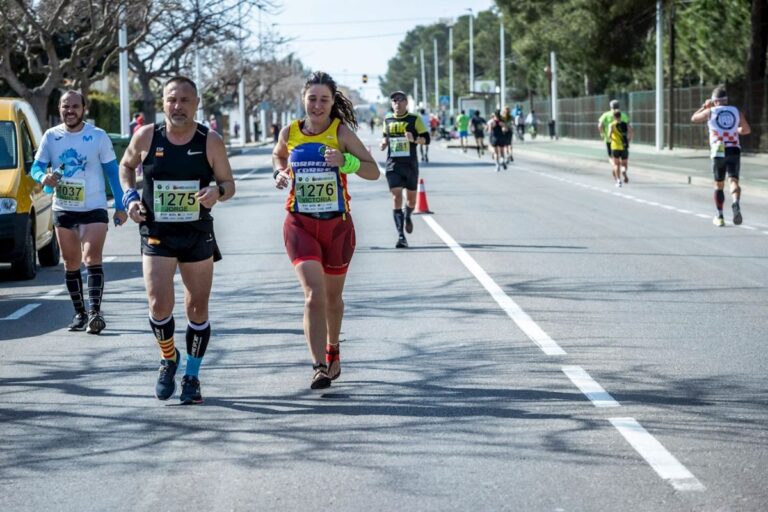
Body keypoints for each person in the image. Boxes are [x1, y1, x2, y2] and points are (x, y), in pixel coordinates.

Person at [119, 76, 236, 404]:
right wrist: (129, 198)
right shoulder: (146, 136)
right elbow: (125, 166)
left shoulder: (210, 140)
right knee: (158, 304)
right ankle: (168, 358)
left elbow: (229, 184)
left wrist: (218, 191)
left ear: (197, 104)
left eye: (185, 100)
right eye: (172, 99)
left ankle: (192, 376)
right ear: (163, 102)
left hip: (196, 232)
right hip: (157, 230)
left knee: (197, 307)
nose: (178, 106)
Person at [273, 71, 379, 389]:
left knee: (333, 299)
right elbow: (279, 155)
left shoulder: (340, 132)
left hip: (336, 227)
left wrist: (345, 162)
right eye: (312, 99)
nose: (317, 105)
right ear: (303, 99)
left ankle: (333, 348)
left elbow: (373, 171)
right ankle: (319, 365)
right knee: (312, 296)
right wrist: (279, 172)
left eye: (324, 100)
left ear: (332, 103)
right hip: (300, 223)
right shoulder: (289, 131)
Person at [31, 90, 127, 334]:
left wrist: (120, 205)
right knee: (71, 262)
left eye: (75, 106)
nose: (70, 110)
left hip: (93, 207)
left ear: (84, 109)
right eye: (65, 106)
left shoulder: (98, 136)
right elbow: (36, 168)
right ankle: (79, 313)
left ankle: (95, 312)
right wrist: (44, 176)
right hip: (63, 208)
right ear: (59, 109)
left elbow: (112, 173)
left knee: (91, 258)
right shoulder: (51, 137)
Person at [691, 85, 751, 227]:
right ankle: (735, 202)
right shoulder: (736, 111)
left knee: (719, 184)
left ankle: (720, 216)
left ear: (714, 101)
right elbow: (746, 130)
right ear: (726, 100)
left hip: (719, 149)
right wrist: (734, 129)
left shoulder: (710, 111)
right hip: (734, 148)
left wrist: (704, 107)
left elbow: (694, 118)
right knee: (733, 180)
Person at [380, 90, 430, 249]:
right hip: (393, 164)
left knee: (412, 200)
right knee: (396, 197)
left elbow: (427, 139)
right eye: (394, 100)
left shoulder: (414, 119)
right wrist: (383, 143)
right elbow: (384, 136)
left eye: (400, 100)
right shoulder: (387, 119)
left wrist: (414, 139)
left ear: (406, 102)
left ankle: (408, 215)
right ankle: (401, 236)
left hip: (410, 165)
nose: (397, 103)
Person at [598, 99, 631, 182]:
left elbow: (600, 125)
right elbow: (628, 126)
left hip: (610, 140)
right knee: (624, 159)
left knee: (611, 157)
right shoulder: (623, 114)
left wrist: (602, 134)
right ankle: (622, 169)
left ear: (610, 106)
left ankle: (615, 166)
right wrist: (629, 138)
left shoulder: (606, 114)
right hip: (623, 140)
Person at [607, 110, 633, 187]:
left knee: (616, 164)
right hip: (624, 146)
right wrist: (628, 140)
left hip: (615, 146)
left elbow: (609, 135)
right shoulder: (625, 124)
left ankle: (618, 181)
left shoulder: (612, 125)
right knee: (624, 163)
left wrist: (611, 138)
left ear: (614, 117)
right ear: (620, 116)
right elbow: (631, 132)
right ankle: (624, 170)